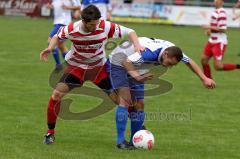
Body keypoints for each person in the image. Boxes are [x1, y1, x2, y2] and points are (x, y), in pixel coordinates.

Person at [40, 5, 144, 145]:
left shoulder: (104, 26)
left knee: (120, 100)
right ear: (84, 21)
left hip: (98, 69)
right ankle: (50, 133)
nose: (96, 27)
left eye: (97, 23)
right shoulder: (72, 29)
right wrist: (50, 48)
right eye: (92, 25)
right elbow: (56, 36)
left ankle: (138, 128)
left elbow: (130, 31)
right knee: (56, 95)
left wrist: (137, 45)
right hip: (76, 68)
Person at [108, 37, 216, 150]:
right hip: (118, 62)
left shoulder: (174, 51)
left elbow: (189, 61)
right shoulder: (149, 53)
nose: (169, 66)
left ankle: (134, 141)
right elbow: (126, 62)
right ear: (165, 54)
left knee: (139, 104)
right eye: (169, 63)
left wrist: (204, 78)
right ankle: (120, 142)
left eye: (173, 65)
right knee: (125, 100)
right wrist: (138, 77)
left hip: (136, 66)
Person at [201, 0, 240, 79]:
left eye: (217, 0)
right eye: (214, 0)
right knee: (203, 60)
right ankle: (208, 80)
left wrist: (209, 27)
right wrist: (209, 31)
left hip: (219, 42)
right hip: (212, 40)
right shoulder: (215, 11)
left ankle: (238, 66)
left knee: (218, 66)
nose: (215, 1)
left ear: (222, 2)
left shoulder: (221, 12)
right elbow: (215, 25)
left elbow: (223, 29)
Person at [46, 0, 81, 70]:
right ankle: (72, 64)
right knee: (61, 46)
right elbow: (56, 6)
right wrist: (50, 7)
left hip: (63, 23)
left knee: (50, 41)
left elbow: (79, 7)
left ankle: (58, 65)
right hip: (58, 23)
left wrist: (68, 7)